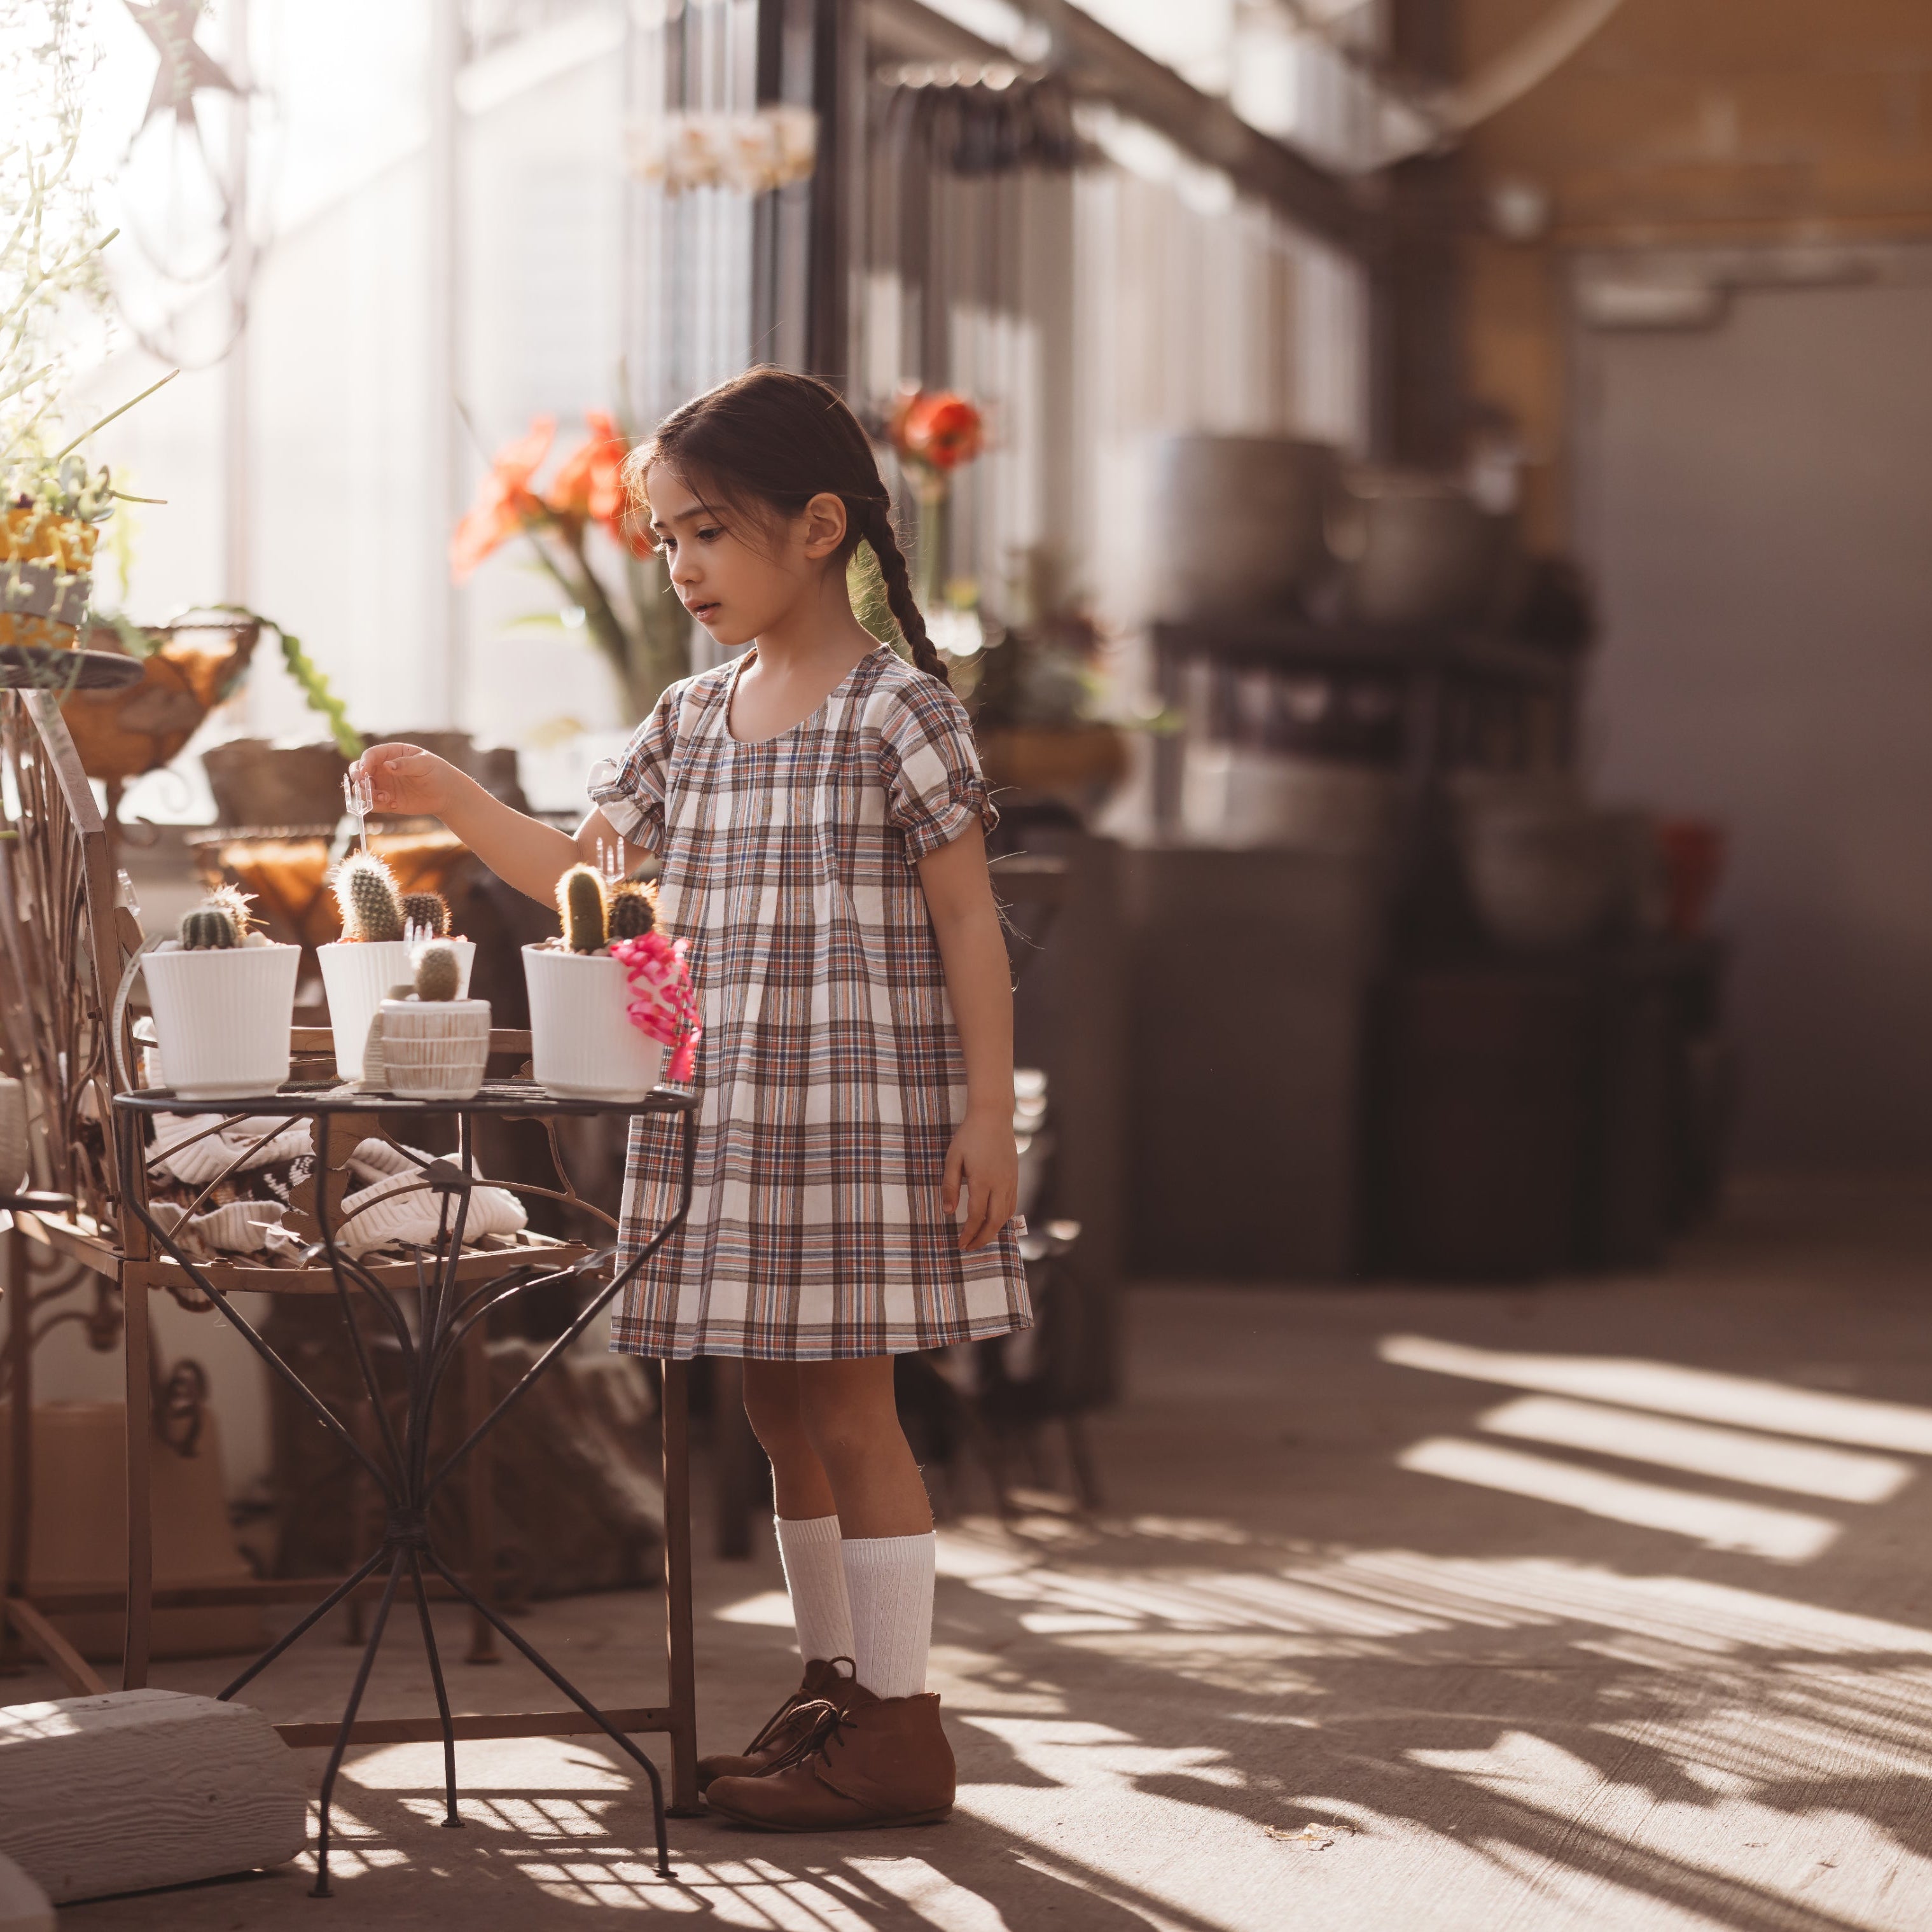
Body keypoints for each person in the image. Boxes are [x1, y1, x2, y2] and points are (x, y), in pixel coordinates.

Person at [352, 366, 1030, 1832]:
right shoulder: (686, 717)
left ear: (816, 528)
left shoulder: (897, 712)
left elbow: (972, 923)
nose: (680, 567)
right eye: (664, 538)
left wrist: (988, 1115)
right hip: (727, 1113)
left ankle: (904, 1728)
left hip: (857, 1120)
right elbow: (590, 884)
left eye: (706, 532)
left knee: (852, 1409)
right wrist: (461, 802)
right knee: (777, 1409)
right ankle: (836, 1684)